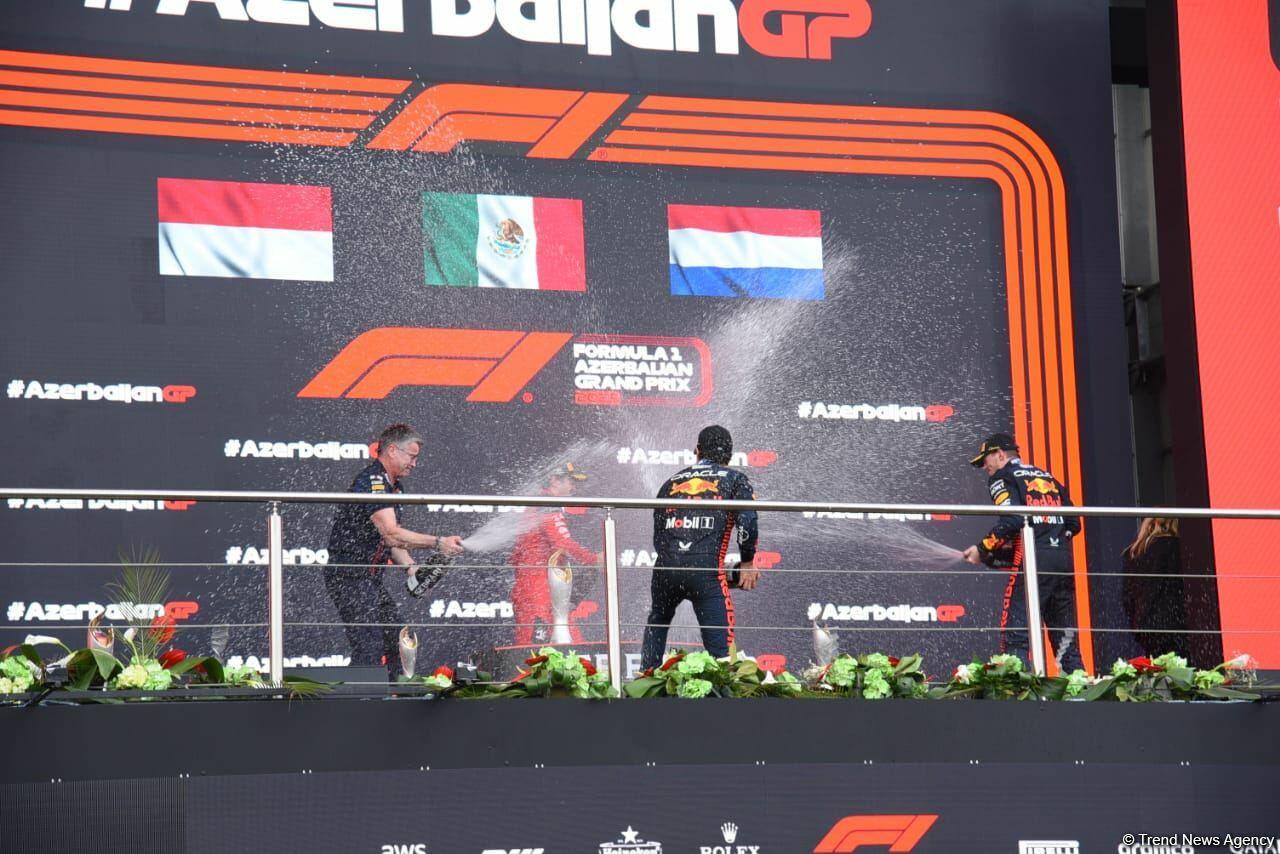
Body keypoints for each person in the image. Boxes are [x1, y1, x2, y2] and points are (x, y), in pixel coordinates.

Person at [324, 424, 464, 676]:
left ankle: (395, 692)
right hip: (349, 576)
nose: (415, 464)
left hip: (369, 579)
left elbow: (391, 541)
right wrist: (438, 542)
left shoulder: (395, 486)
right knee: (368, 645)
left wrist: (412, 569)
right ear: (392, 450)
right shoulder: (373, 481)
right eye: (412, 456)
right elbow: (390, 532)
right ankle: (360, 696)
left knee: (398, 639)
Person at [961, 432, 1084, 672]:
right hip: (1061, 560)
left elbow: (1014, 519)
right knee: (1065, 639)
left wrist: (982, 549)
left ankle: (1019, 688)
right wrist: (1052, 539)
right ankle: (1078, 686)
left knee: (1016, 631)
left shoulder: (1001, 477)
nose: (985, 467)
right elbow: (1073, 523)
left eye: (986, 460)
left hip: (1032, 559)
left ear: (999, 454)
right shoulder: (1045, 475)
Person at [640, 425, 759, 670]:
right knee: (721, 660)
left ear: (697, 450)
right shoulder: (735, 479)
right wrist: (747, 561)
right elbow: (747, 522)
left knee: (658, 619)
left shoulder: (670, 482)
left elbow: (659, 536)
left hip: (666, 570)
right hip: (706, 574)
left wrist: (679, 559)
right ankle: (721, 690)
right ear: (730, 456)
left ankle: (645, 677)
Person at [508, 462, 602, 646]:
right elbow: (562, 543)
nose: (573, 488)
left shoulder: (540, 504)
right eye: (571, 481)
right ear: (554, 480)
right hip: (538, 589)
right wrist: (594, 560)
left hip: (543, 587)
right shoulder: (546, 504)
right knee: (533, 649)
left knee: (570, 646)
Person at [1121, 517, 1188, 659]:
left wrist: (1136, 622)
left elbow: (1127, 595)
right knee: (1178, 664)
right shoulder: (1173, 546)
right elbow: (1178, 585)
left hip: (1145, 624)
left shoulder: (1133, 553)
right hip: (1172, 622)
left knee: (1155, 664)